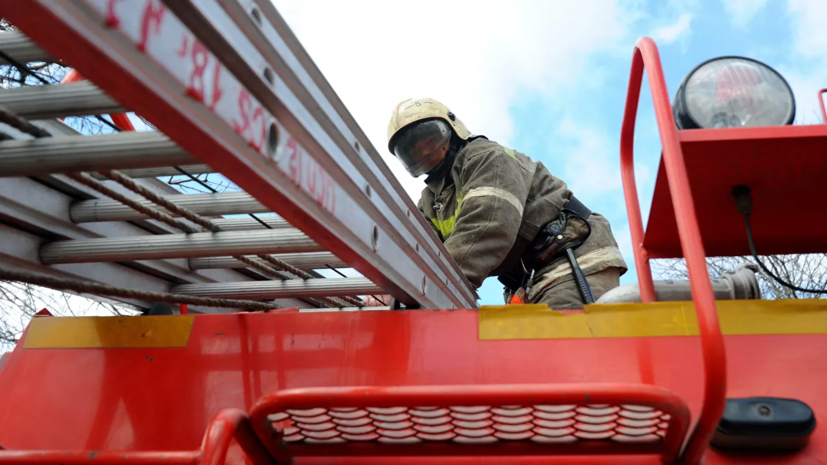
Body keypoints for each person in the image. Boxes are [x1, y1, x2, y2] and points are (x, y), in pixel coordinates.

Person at [385, 98, 627, 309]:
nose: (427, 152)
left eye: (430, 140)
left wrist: (427, 284)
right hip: (527, 279)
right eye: (414, 152)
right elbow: (422, 251)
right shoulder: (429, 201)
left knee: (560, 348)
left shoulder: (484, 157)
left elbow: (489, 225)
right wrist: (393, 289)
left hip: (570, 259)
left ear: (452, 128)